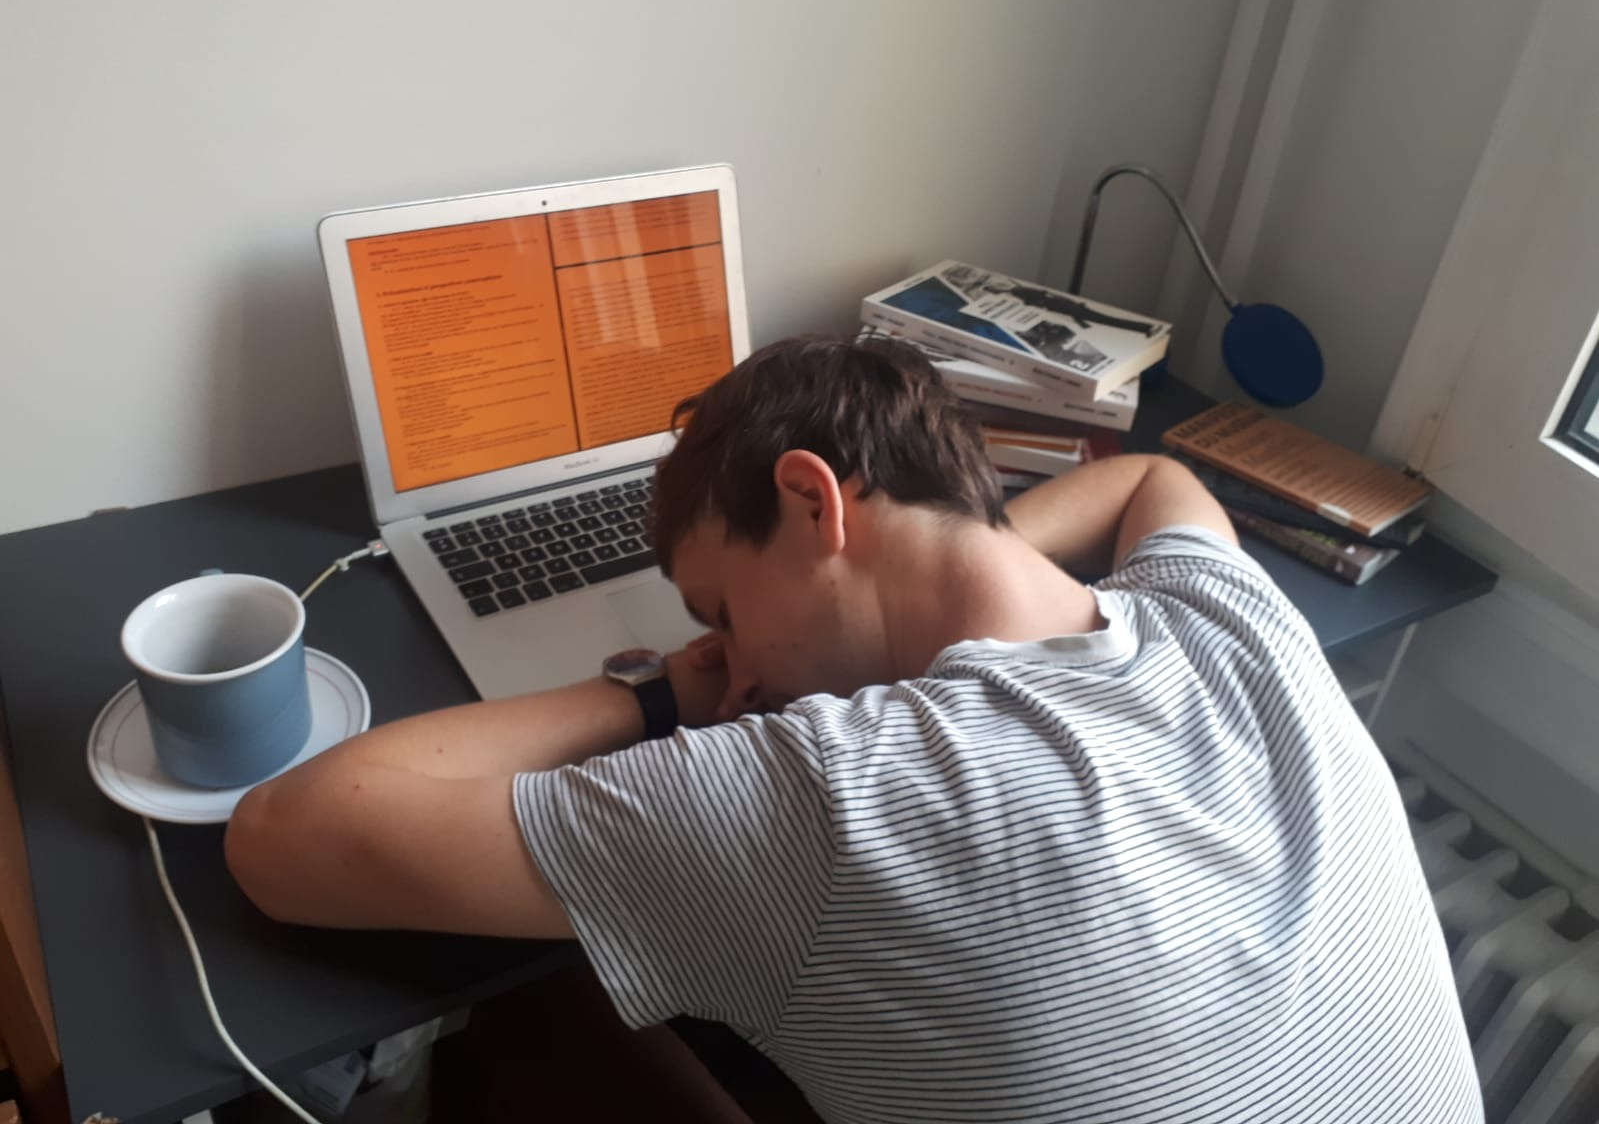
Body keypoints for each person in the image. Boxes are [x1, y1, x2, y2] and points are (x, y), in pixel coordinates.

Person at [226, 336, 1482, 1123]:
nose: (743, 668)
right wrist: (970, 569)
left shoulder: (832, 793)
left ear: (809, 497)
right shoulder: (1229, 617)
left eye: (722, 609)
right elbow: (1163, 481)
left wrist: (660, 689)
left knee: (543, 1014)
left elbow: (281, 836)